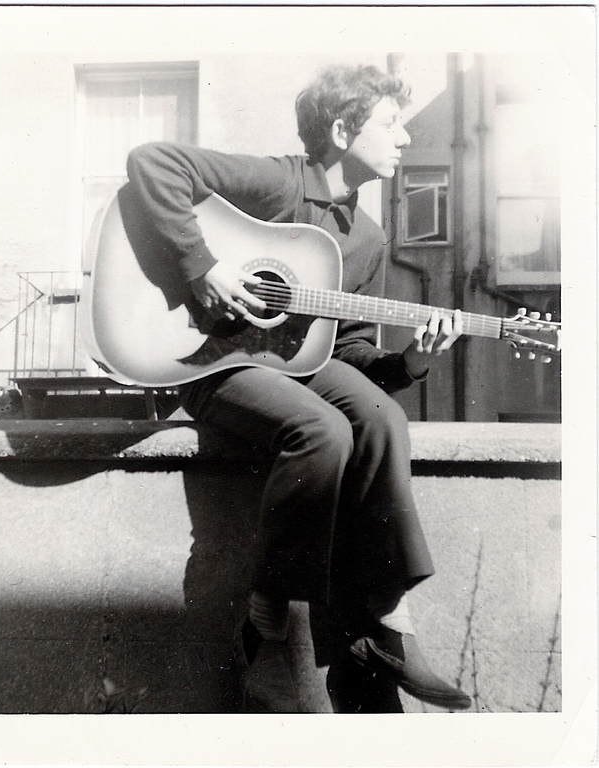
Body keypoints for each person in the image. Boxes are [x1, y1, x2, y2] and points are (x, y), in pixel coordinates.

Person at [124, 64, 470, 713]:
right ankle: (268, 626)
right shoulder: (279, 182)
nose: (403, 138)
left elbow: (347, 350)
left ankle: (386, 622)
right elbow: (153, 162)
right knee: (321, 430)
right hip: (208, 360)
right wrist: (203, 268)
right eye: (390, 124)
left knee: (380, 417)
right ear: (341, 131)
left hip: (293, 365)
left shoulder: (367, 237)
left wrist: (411, 363)